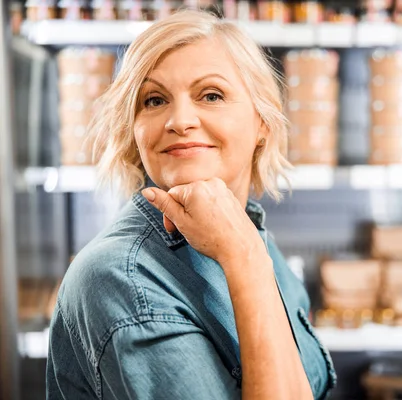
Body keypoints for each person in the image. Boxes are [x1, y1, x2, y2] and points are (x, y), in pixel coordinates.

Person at [46, 10, 336, 400]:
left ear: (262, 121)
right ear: (133, 129)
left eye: (211, 95)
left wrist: (245, 251)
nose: (179, 120)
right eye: (154, 100)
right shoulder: (123, 279)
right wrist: (245, 260)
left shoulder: (245, 231)